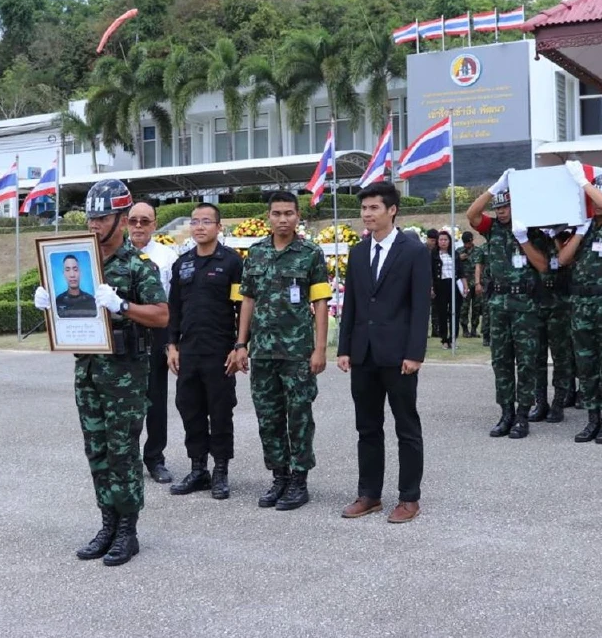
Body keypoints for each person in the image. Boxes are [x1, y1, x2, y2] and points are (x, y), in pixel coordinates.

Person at [33, 178, 168, 567]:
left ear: (122, 220)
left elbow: (162, 315)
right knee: (97, 450)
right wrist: (51, 304)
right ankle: (107, 524)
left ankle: (128, 531)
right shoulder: (81, 262)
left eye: (103, 217)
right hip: (88, 369)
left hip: (125, 374)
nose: (94, 224)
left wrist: (123, 306)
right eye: (91, 217)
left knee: (123, 451)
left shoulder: (137, 266)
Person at [228, 190, 330, 512]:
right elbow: (247, 300)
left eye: (289, 213)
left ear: (298, 216)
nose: (283, 219)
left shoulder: (311, 253)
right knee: (268, 418)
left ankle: (299, 480)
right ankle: (279, 476)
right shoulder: (255, 253)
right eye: (277, 213)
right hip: (261, 353)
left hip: (297, 353)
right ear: (268, 217)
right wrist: (241, 344)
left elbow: (321, 303)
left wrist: (319, 349)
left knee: (299, 417)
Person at [337, 181, 430, 522]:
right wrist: (345, 347)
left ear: (392, 210)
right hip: (363, 354)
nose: (367, 214)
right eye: (364, 208)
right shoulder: (359, 252)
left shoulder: (414, 251)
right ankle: (369, 494)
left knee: (407, 427)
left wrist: (415, 353)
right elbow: (351, 303)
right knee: (367, 428)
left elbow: (420, 307)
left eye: (374, 207)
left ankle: (409, 498)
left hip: (399, 355)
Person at [166, 203, 244, 500]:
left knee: (220, 411)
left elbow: (242, 308)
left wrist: (240, 346)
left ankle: (220, 470)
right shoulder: (182, 263)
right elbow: (174, 308)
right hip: (188, 352)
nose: (200, 226)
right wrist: (171, 346)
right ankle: (198, 469)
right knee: (190, 409)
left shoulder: (232, 262)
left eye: (207, 221)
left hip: (220, 352)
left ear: (219, 227)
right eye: (195, 221)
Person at [466, 173, 551, 440]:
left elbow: (543, 266)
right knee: (501, 361)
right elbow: (472, 215)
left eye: (506, 206)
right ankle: (506, 413)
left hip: (525, 304)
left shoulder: (532, 231)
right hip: (499, 304)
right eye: (498, 207)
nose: (501, 211)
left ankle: (523, 415)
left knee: (526, 361)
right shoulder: (492, 229)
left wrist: (523, 239)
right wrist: (494, 189)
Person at [557, 162, 602, 445]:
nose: (599, 204)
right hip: (581, 303)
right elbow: (563, 260)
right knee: (585, 363)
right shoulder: (583, 227)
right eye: (595, 199)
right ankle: (592, 419)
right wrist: (579, 232)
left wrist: (583, 182)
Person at [127, 200, 179, 484]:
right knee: (125, 401)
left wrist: (172, 342)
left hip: (156, 333)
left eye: (145, 221)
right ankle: (128, 458)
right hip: (124, 333)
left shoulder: (167, 257)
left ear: (154, 225)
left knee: (156, 401)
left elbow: (175, 303)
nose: (138, 226)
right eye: (133, 220)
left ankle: (155, 458)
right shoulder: (115, 254)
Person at [538, 227, 577, 420]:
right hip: (537, 301)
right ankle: (540, 402)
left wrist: (556, 235)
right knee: (536, 356)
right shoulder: (532, 236)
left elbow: (567, 259)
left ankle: (559, 401)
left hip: (561, 303)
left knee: (561, 356)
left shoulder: (567, 236)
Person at [434, 230, 457, 348]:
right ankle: (444, 339)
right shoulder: (434, 255)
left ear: (449, 241)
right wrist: (431, 287)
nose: (443, 242)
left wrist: (464, 284)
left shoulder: (454, 254)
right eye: (441, 240)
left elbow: (460, 271)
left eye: (446, 240)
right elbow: (430, 272)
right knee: (442, 313)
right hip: (440, 285)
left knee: (454, 312)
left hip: (453, 284)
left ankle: (453, 338)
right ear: (438, 242)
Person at [456, 232, 481, 338]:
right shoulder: (458, 251)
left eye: (468, 242)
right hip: (464, 283)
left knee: (476, 307)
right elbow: (452, 264)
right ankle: (465, 329)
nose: (466, 245)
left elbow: (480, 266)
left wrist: (479, 283)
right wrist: (459, 258)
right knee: (464, 307)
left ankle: (474, 329)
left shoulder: (478, 251)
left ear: (472, 240)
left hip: (476, 283)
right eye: (465, 242)